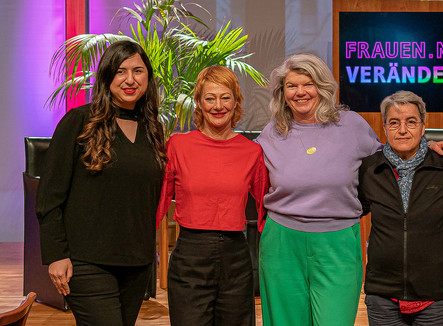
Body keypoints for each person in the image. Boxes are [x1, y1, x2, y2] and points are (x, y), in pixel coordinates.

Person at [256, 53, 443, 326]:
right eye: (291, 86)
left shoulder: (350, 124)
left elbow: (391, 155)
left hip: (338, 240)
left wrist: (427, 145)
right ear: (282, 92)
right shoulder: (271, 132)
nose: (300, 92)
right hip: (281, 240)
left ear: (323, 87)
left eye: (308, 83)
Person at [36, 40, 165, 325]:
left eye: (138, 71)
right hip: (87, 262)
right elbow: (49, 196)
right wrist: (56, 255)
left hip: (136, 264)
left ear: (148, 77)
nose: (130, 80)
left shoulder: (153, 129)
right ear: (107, 77)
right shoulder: (80, 121)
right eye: (120, 71)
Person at [156, 66, 269, 326]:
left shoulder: (252, 152)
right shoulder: (177, 145)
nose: (218, 106)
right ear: (199, 102)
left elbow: (266, 207)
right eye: (210, 98)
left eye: (225, 97)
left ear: (236, 101)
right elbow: (159, 203)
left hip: (236, 258)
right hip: (190, 257)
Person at [358, 91, 443, 325]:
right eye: (394, 123)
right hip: (382, 293)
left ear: (423, 126)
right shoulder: (369, 170)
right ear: (385, 128)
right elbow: (349, 211)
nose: (402, 130)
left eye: (411, 122)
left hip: (436, 294)